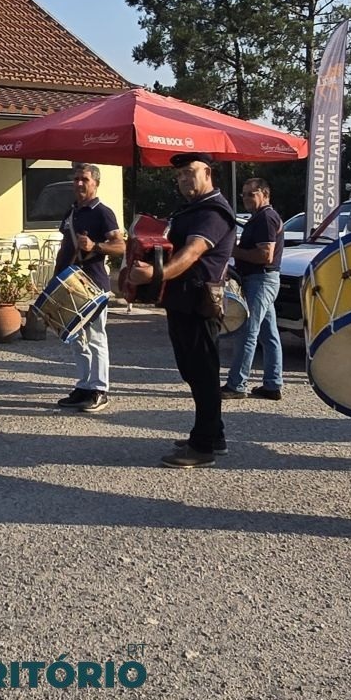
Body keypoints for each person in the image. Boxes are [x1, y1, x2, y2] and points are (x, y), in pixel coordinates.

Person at [126, 153, 239, 468]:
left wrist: (154, 275)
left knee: (202, 374)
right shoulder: (193, 209)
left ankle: (202, 447)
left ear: (207, 173)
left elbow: (191, 254)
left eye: (190, 172)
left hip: (198, 302)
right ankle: (214, 435)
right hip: (183, 300)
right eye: (179, 175)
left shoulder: (213, 212)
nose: (184, 179)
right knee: (194, 371)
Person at [51, 163, 124, 413]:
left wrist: (95, 246)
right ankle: (83, 386)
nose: (79, 183)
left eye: (84, 179)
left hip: (93, 284)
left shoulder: (103, 212)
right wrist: (55, 280)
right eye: (76, 179)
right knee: (76, 339)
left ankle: (99, 390)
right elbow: (65, 247)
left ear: (96, 183)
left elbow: (120, 246)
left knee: (95, 337)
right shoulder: (71, 212)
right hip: (70, 283)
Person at [223, 178, 285, 402]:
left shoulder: (266, 218)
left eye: (252, 194)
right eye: (244, 194)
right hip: (264, 279)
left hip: (260, 280)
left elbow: (265, 255)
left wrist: (233, 251)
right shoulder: (261, 217)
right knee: (269, 334)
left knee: (247, 332)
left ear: (265, 194)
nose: (247, 198)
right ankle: (273, 384)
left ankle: (237, 384)